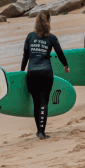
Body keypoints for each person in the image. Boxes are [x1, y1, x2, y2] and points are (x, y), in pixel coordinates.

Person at [21, 11, 70, 139]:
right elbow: (60, 53)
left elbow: (25, 56)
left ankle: (39, 131)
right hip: (46, 73)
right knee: (44, 102)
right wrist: (66, 65)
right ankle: (42, 131)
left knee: (36, 103)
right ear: (49, 22)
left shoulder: (30, 37)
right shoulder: (51, 38)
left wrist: (21, 72)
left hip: (32, 73)